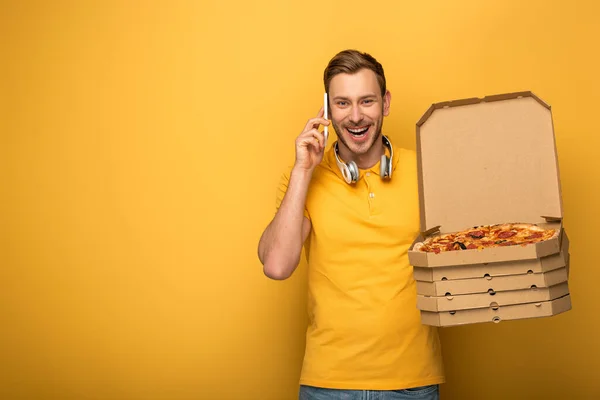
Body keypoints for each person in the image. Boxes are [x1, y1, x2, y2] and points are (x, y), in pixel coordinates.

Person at [257, 49, 445, 400]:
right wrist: (303, 170)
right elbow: (277, 265)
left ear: (385, 103)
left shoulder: (427, 170)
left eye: (367, 101)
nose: (356, 116)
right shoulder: (304, 177)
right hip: (327, 385)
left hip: (412, 384)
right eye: (342, 103)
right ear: (327, 109)